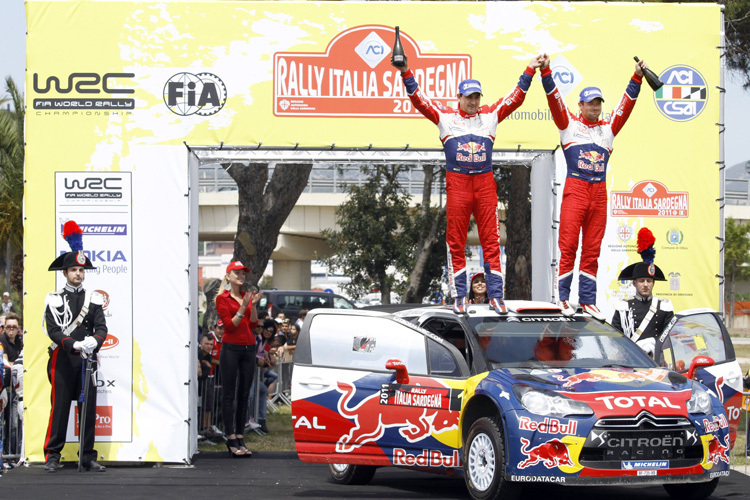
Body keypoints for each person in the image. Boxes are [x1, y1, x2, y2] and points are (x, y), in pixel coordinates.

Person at [393, 54, 545, 315]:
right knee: (455, 241)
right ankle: (458, 296)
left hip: (485, 183)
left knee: (492, 241)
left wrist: (530, 69)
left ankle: (496, 296)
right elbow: (420, 99)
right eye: (469, 97)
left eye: (477, 97)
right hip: (459, 183)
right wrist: (406, 72)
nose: (473, 102)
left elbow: (515, 97)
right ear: (459, 98)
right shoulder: (445, 117)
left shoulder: (490, 116)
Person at [538, 54, 648, 321]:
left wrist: (637, 78)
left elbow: (625, 107)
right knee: (568, 245)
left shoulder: (607, 130)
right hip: (576, 187)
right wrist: (545, 72)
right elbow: (554, 100)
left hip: (599, 191)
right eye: (591, 103)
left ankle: (587, 300)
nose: (596, 108)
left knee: (592, 248)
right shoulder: (569, 126)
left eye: (599, 103)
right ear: (581, 105)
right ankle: (562, 298)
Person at [43, 220, 108, 473]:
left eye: (81, 270)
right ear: (65, 273)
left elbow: (101, 327)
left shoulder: (93, 299)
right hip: (63, 359)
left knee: (88, 409)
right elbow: (53, 329)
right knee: (59, 408)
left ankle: (88, 456)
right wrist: (73, 343)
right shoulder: (55, 299)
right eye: (73, 270)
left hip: (87, 360)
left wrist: (95, 341)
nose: (78, 274)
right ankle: (52, 455)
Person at [215, 260, 262, 458]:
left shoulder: (245, 296)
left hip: (248, 348)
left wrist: (253, 304)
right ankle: (230, 436)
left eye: (243, 273)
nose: (241, 276)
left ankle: (241, 436)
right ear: (228, 276)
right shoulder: (222, 299)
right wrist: (243, 307)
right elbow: (230, 326)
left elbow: (252, 324)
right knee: (229, 395)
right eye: (237, 273)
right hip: (231, 348)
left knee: (244, 394)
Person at [611, 227, 673, 357]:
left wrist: (653, 344)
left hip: (656, 358)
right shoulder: (624, 307)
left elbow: (670, 337)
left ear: (653, 283)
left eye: (649, 281)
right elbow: (615, 336)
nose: (645, 284)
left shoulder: (664, 306)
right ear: (634, 283)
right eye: (641, 281)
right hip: (632, 358)